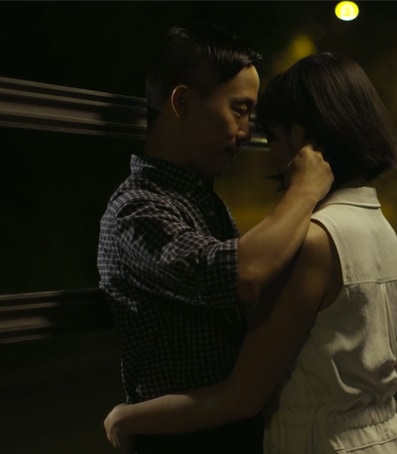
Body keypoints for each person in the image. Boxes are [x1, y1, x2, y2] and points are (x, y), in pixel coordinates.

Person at [103, 51, 397, 453]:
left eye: (271, 136)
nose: (263, 149)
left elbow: (242, 395)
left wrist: (128, 417)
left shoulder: (312, 241)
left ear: (303, 139)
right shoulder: (379, 225)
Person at [97, 24, 333, 454]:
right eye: (239, 110)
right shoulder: (137, 209)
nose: (246, 132)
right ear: (183, 103)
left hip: (220, 430)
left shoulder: (203, 201)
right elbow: (243, 273)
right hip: (178, 439)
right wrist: (304, 190)